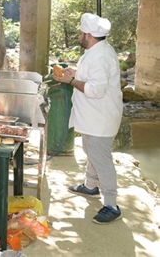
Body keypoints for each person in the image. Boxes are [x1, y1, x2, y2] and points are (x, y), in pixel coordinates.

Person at [53, 12, 123, 224]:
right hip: (93, 116)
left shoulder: (100, 56)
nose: (79, 35)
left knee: (101, 158)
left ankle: (111, 203)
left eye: (81, 32)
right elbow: (89, 76)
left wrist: (71, 80)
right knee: (90, 150)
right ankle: (90, 185)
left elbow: (95, 90)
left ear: (89, 35)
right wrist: (72, 73)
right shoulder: (96, 50)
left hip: (100, 117)